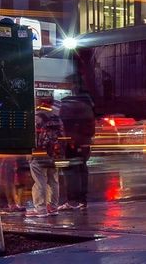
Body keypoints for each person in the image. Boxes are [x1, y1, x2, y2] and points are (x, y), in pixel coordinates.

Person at [58, 76, 96, 211]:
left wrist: (69, 140)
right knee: (82, 170)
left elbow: (64, 124)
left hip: (72, 143)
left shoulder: (69, 105)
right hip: (85, 143)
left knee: (71, 172)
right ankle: (82, 200)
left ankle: (72, 200)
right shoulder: (88, 105)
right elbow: (91, 127)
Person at [29, 96, 64, 217]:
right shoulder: (57, 117)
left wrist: (31, 152)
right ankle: (53, 207)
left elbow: (34, 136)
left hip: (40, 152)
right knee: (53, 180)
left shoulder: (37, 117)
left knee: (40, 181)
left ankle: (41, 209)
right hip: (55, 154)